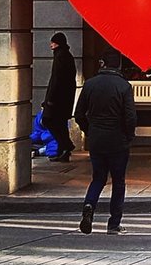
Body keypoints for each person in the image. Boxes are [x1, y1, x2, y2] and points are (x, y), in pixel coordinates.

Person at [74, 50, 137, 236]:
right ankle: (114, 223)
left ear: (102, 63)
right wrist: (129, 135)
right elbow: (130, 116)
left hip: (97, 139)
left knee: (98, 178)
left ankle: (89, 205)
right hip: (118, 140)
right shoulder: (124, 86)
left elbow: (79, 114)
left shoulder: (90, 84)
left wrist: (89, 130)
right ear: (118, 65)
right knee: (119, 181)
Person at [42, 31, 77, 163]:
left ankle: (66, 145)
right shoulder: (65, 55)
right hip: (64, 98)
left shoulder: (61, 56)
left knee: (50, 121)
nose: (51, 45)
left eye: (53, 42)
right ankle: (63, 149)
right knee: (60, 124)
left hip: (58, 99)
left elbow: (56, 80)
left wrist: (50, 99)